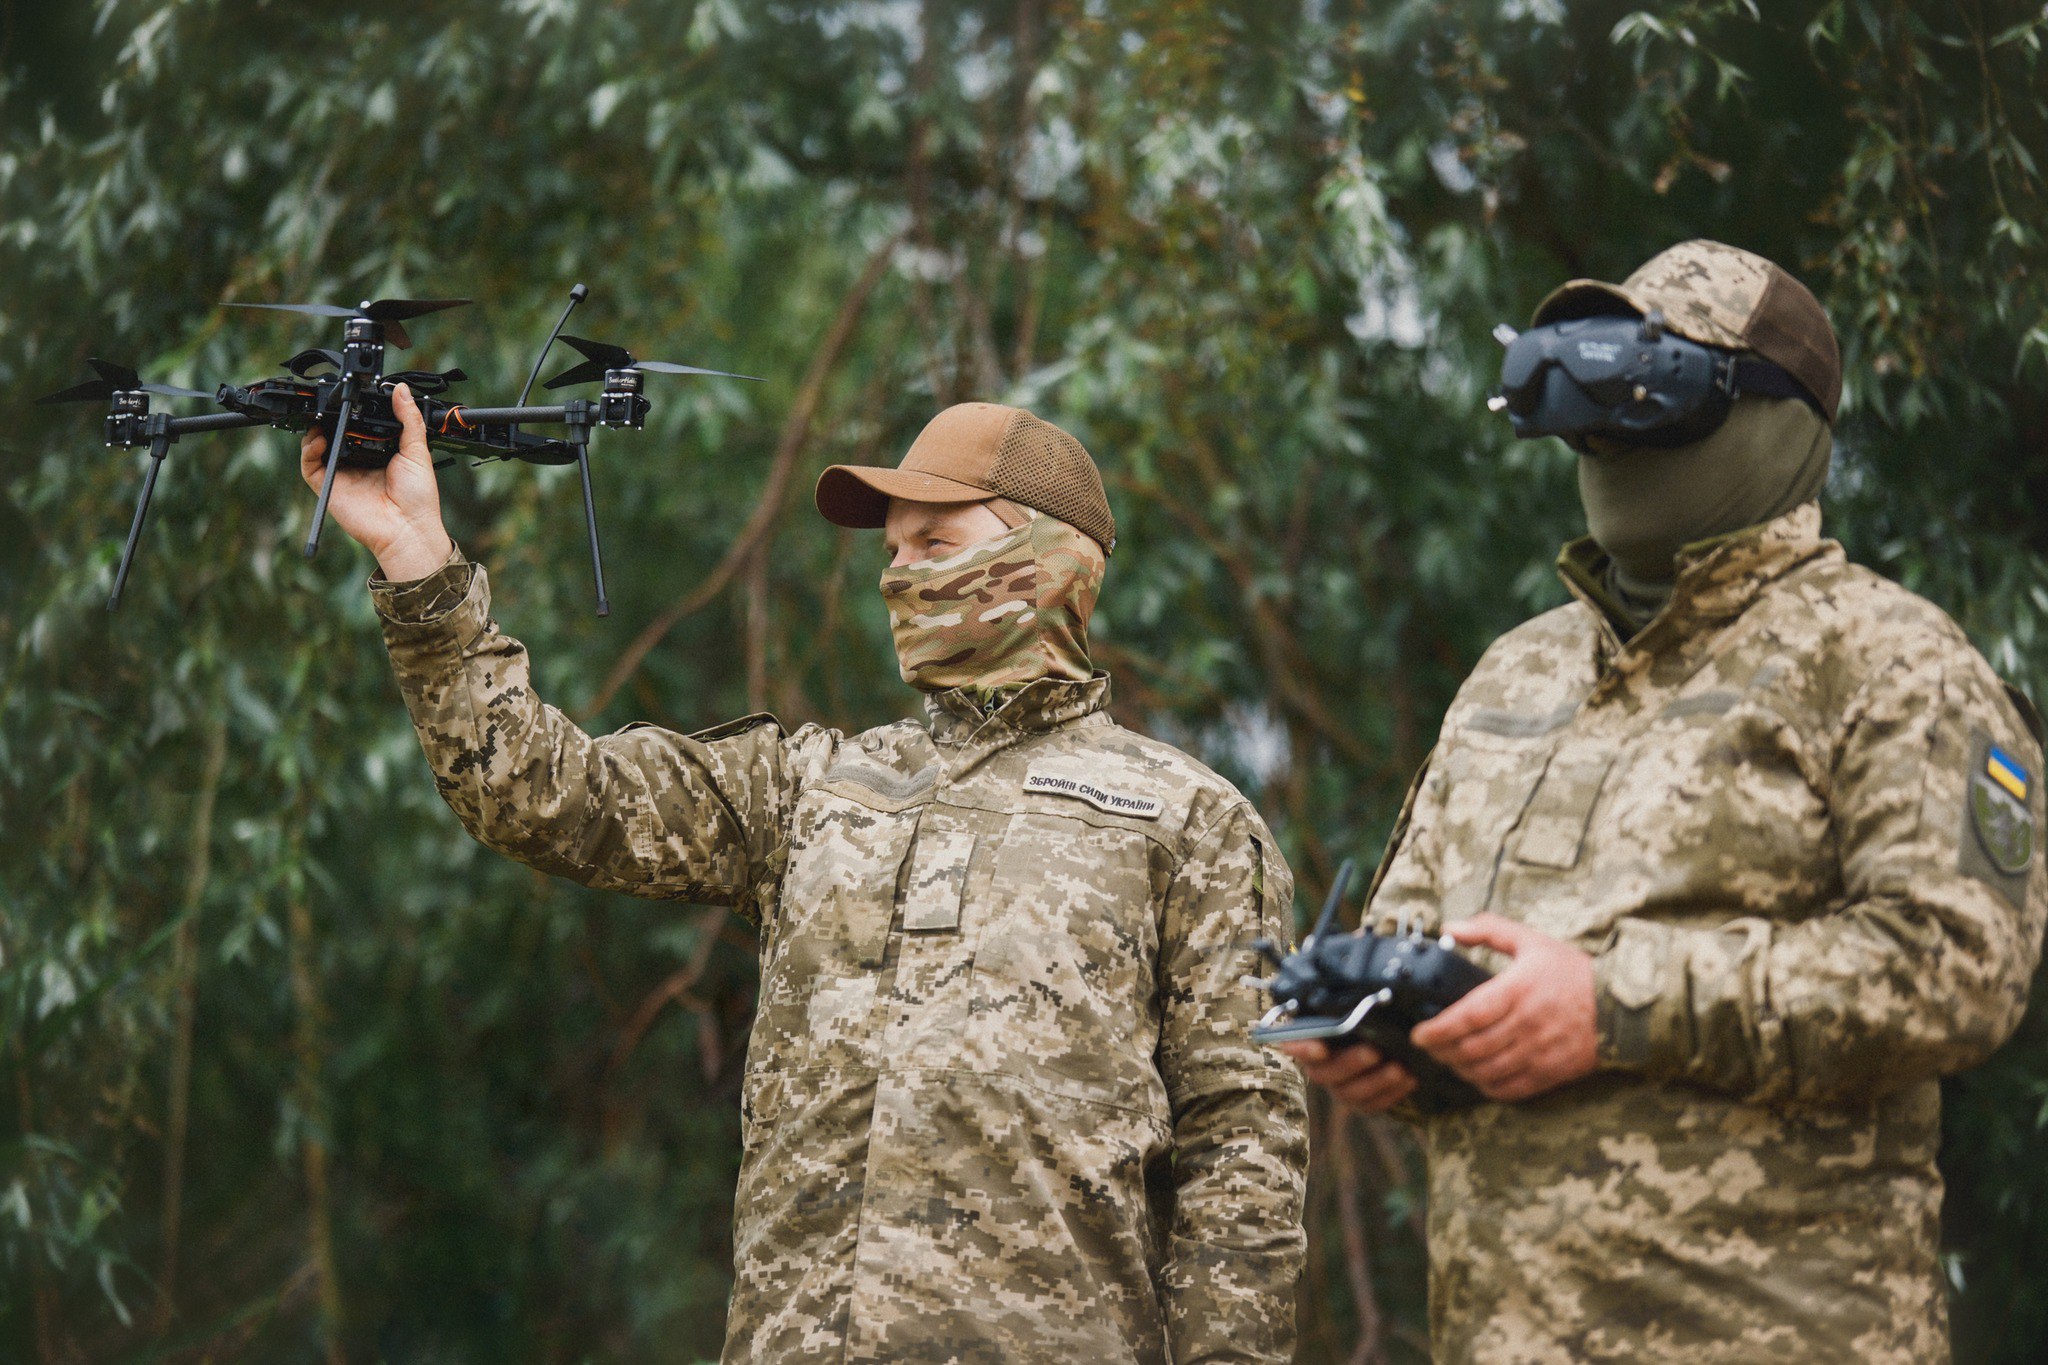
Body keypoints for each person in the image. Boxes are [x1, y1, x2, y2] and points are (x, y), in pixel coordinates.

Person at [303, 395, 1309, 1361]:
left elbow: (1243, 1146)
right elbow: (543, 794)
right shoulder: (811, 788)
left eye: (933, 544)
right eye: (891, 553)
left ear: (1043, 562)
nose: (899, 577)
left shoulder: (1187, 821)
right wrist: (416, 564)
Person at [1287, 240, 2046, 1362]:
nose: (1609, 432)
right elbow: (1416, 938)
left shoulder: (1889, 660)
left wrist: (1613, 1005)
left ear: (1776, 415)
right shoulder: (1513, 675)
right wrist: (1390, 1043)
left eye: (1646, 390)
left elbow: (1956, 968)